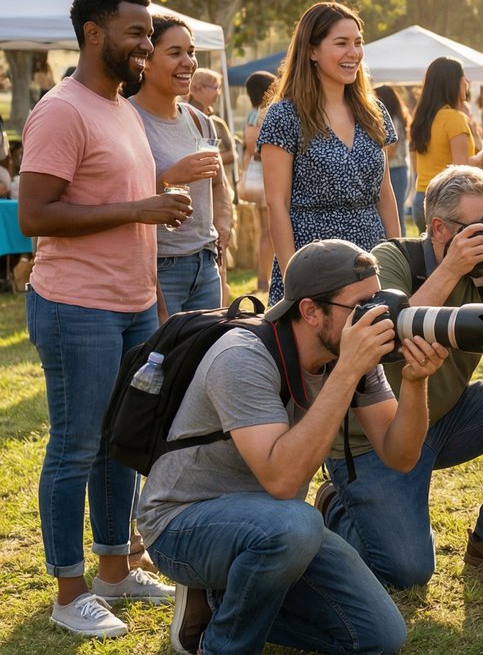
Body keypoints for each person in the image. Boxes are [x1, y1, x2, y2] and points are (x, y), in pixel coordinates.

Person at [137, 239, 448, 655]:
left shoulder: (349, 354)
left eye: (377, 300)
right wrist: (349, 371)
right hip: (185, 522)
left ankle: (220, 600)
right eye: (360, 306)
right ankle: (222, 644)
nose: (375, 316)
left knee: (379, 637)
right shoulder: (243, 357)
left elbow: (400, 455)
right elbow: (283, 480)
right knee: (297, 524)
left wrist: (415, 382)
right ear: (309, 310)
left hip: (273, 527)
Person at [19, 0, 187, 638]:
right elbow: (37, 212)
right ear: (94, 33)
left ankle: (115, 569)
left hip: (133, 306)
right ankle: (68, 590)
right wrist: (140, 206)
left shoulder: (122, 108)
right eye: (135, 32)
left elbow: (132, 219)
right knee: (76, 448)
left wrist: (158, 305)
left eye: (149, 32)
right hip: (75, 308)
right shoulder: (61, 110)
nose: (145, 43)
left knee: (122, 444)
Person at [317, 165, 483, 586]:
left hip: (443, 420)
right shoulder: (391, 259)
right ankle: (336, 505)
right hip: (376, 441)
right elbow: (389, 334)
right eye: (481, 229)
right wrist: (451, 269)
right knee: (407, 571)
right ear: (439, 228)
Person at [259, 2, 401, 304]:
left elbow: (384, 193)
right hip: (314, 263)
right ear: (312, 50)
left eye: (358, 43)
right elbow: (277, 204)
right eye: (341, 43)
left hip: (371, 259)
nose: (354, 53)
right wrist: (291, 283)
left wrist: (397, 257)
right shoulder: (285, 115)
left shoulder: (374, 111)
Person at [129, 15, 231, 315]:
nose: (188, 61)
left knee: (203, 356)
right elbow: (114, 195)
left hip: (205, 261)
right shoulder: (127, 119)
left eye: (191, 52)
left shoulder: (200, 121)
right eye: (175, 53)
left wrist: (223, 226)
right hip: (159, 267)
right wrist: (169, 177)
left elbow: (218, 184)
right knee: (163, 358)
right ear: (146, 61)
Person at [410, 57, 483, 232]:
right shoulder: (454, 119)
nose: (467, 82)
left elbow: (416, 167)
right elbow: (461, 169)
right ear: (453, 83)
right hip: (447, 203)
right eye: (463, 77)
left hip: (421, 199)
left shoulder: (421, 119)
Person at [237, 70, 277, 291]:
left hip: (262, 178)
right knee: (268, 231)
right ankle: (263, 279)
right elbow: (255, 149)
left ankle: (264, 277)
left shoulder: (255, 114)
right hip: (264, 179)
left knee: (266, 231)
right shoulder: (260, 115)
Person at [185, 67, 235, 189]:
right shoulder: (181, 117)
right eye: (215, 87)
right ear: (197, 88)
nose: (219, 92)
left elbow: (233, 154)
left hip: (215, 189)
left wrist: (208, 162)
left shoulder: (217, 123)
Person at [374, 85, 412, 235]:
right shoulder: (399, 118)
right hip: (400, 169)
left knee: (395, 213)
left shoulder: (392, 120)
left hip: (394, 169)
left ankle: (398, 244)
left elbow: (389, 152)